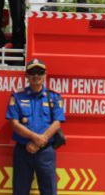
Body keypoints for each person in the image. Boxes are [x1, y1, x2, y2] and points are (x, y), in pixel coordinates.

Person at [6, 59, 64, 195]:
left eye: (40, 72)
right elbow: (14, 124)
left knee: (49, 191)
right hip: (22, 152)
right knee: (20, 191)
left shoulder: (54, 96)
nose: (36, 76)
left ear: (45, 75)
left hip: (45, 153)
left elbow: (57, 123)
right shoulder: (17, 96)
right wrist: (34, 138)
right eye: (32, 72)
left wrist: (38, 143)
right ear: (26, 75)